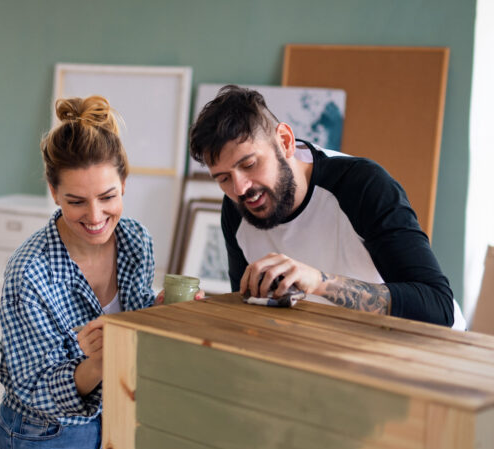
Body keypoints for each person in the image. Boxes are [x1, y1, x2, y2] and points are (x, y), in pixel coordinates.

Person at [0, 95, 156, 449]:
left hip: (113, 422)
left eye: (108, 196)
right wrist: (100, 362)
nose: (96, 216)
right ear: (53, 192)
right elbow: (34, 387)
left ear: (125, 183)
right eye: (76, 202)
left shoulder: (136, 242)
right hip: (42, 435)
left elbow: (138, 317)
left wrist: (174, 317)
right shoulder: (29, 272)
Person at [189, 85, 458, 327]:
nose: (240, 189)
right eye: (223, 178)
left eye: (249, 165)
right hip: (337, 350)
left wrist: (319, 282)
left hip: (430, 353)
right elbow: (250, 309)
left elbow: (438, 308)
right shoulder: (238, 206)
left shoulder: (363, 185)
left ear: (284, 142)